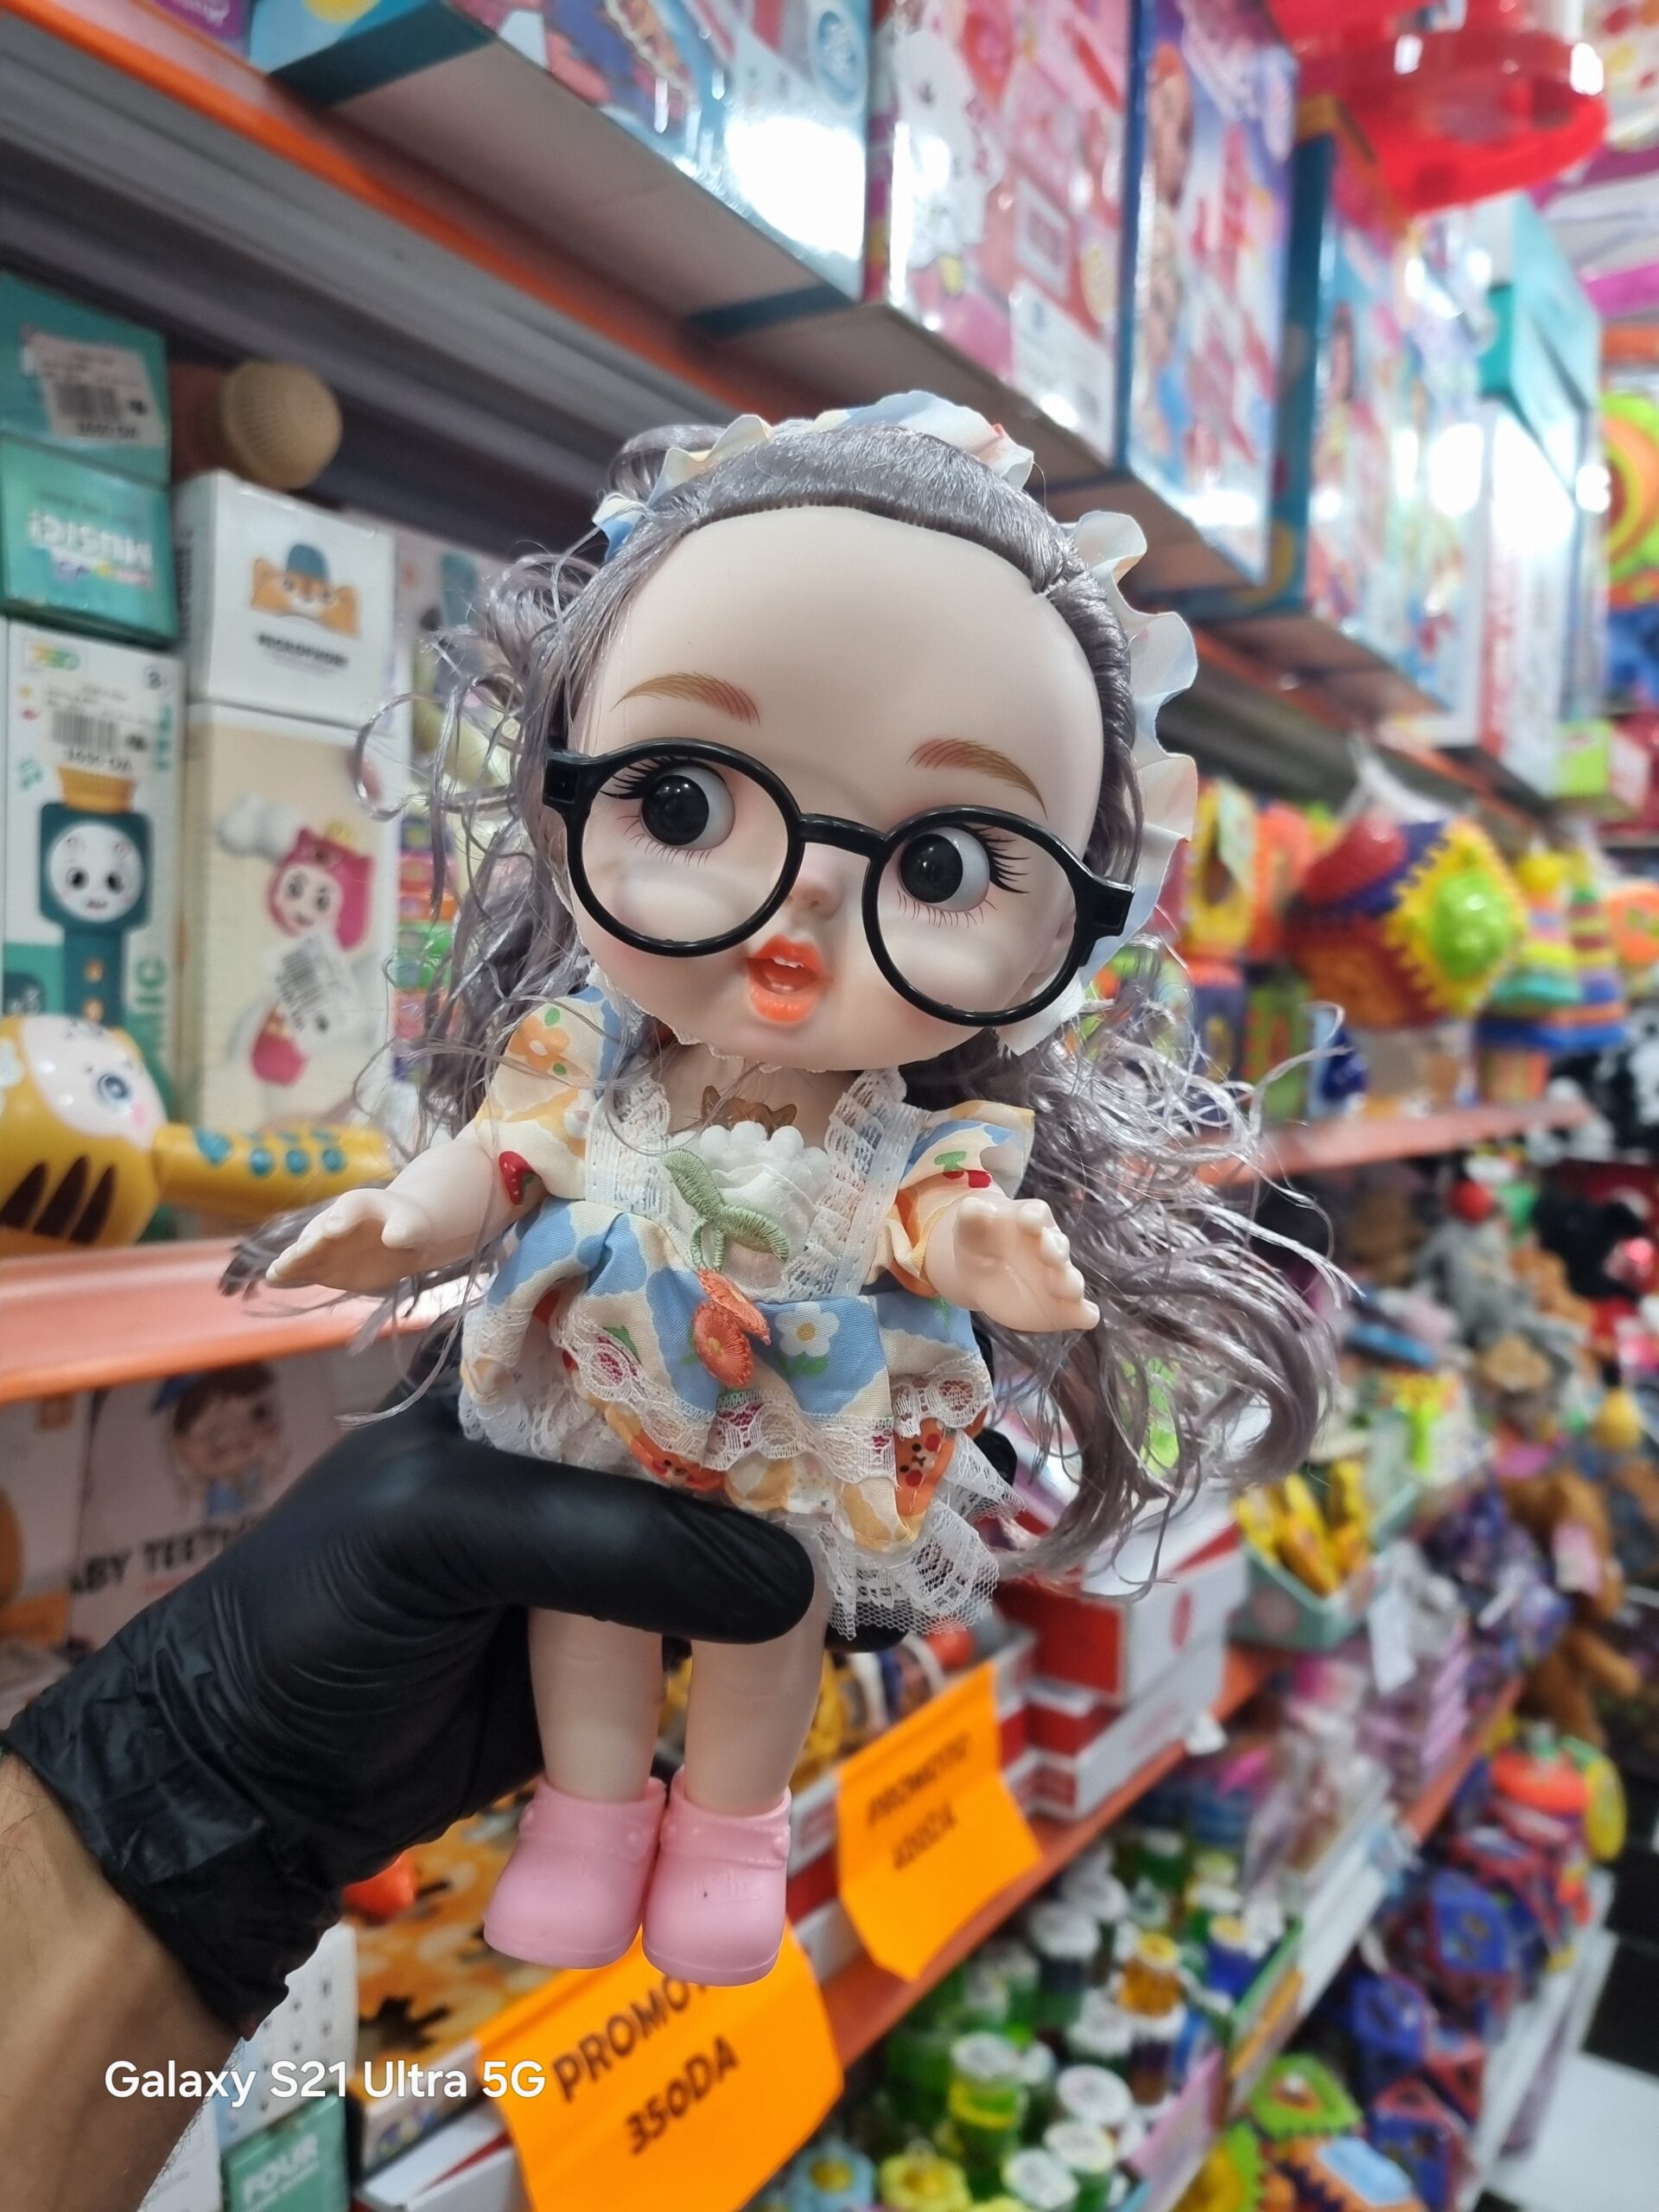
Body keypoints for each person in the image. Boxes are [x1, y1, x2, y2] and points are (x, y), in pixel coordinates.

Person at [0, 1387, 817, 2212]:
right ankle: (587, 1835)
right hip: (604, 1419)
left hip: (791, 1431)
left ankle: (730, 1846)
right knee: (588, 1603)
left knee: (760, 1591)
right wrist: (197, 1772)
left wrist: (187, 1775)